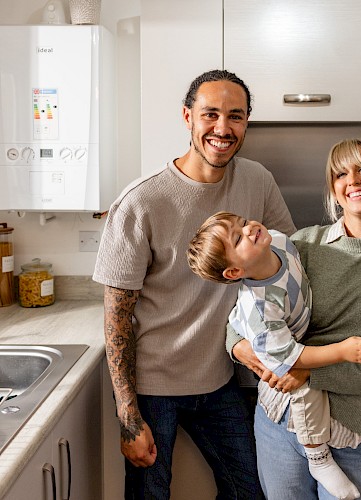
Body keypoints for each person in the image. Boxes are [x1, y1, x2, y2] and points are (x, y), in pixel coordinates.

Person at [92, 69, 296, 499]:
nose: (223, 129)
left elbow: (286, 261)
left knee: (251, 491)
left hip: (222, 379)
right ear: (187, 117)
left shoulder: (257, 181)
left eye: (236, 116)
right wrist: (129, 415)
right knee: (150, 495)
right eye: (211, 114)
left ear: (246, 124)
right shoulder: (141, 202)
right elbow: (116, 318)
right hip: (152, 387)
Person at [228, 139, 361, 499]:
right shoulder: (303, 244)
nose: (353, 180)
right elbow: (250, 308)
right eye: (341, 173)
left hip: (352, 434)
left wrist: (309, 369)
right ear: (334, 190)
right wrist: (237, 346)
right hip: (279, 420)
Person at [187, 211, 361, 500]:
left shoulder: (279, 241)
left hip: (287, 333)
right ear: (234, 272)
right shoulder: (262, 311)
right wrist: (343, 351)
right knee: (300, 387)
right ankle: (318, 458)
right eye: (238, 238)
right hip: (272, 344)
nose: (249, 228)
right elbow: (292, 359)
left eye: (243, 222)